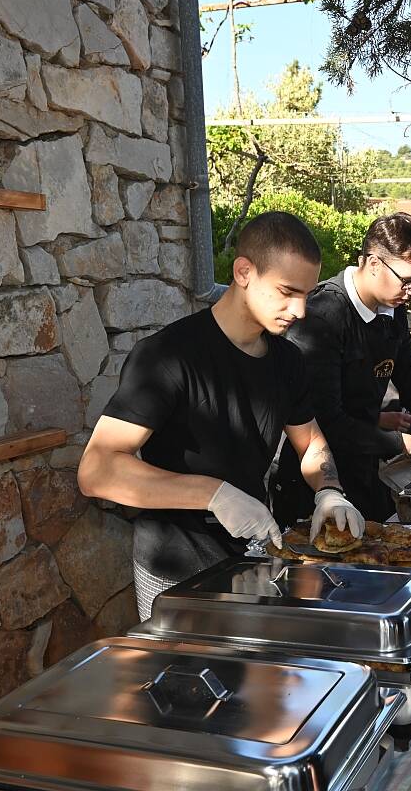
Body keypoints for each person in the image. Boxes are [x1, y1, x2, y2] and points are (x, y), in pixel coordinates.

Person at [78, 212, 365, 620]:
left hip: (251, 560)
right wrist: (215, 495)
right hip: (175, 568)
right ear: (244, 272)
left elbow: (312, 443)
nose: (300, 310)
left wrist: (328, 491)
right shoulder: (167, 356)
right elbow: (96, 471)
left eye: (307, 294)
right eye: (287, 291)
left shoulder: (288, 362)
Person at [282, 213, 411, 521]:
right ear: (374, 263)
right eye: (407, 281)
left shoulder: (393, 308)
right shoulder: (323, 315)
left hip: (365, 467)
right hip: (316, 481)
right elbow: (326, 421)